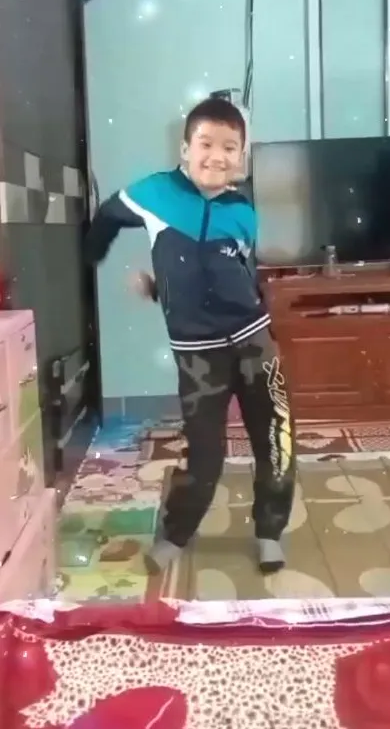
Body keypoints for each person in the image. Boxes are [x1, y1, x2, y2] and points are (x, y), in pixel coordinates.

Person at [85, 97, 295, 575]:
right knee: (205, 454)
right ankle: (177, 533)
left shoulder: (243, 210)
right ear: (185, 148)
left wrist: (165, 287)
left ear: (241, 156)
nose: (216, 156)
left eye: (229, 147)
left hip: (254, 341)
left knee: (277, 441)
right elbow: (107, 217)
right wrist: (93, 257)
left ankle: (269, 531)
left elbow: (228, 275)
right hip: (197, 355)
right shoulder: (155, 193)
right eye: (206, 144)